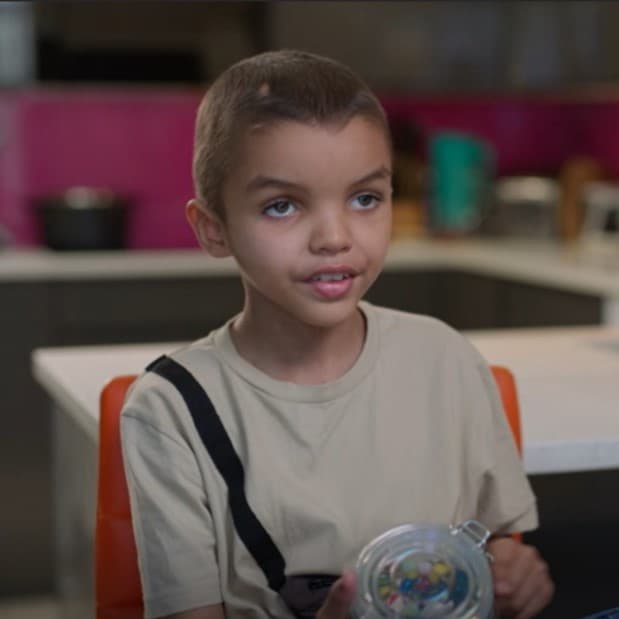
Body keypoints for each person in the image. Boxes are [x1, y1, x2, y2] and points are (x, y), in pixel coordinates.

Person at [120, 49, 554, 619]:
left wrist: (515, 577)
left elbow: (494, 545)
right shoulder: (169, 411)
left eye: (365, 198)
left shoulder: (445, 358)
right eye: (281, 206)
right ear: (213, 229)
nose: (335, 237)